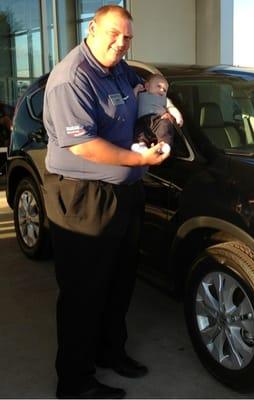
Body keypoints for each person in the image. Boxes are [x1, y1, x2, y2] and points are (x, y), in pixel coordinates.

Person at [42, 5, 169, 399]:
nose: (121, 42)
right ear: (92, 29)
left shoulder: (118, 69)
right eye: (114, 34)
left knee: (119, 283)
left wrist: (165, 100)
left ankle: (111, 353)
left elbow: (150, 84)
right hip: (84, 199)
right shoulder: (72, 78)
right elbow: (83, 147)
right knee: (83, 292)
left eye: (128, 36)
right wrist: (139, 159)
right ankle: (75, 381)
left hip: (125, 195)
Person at [131, 74, 183, 154]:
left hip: (159, 120)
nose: (162, 90)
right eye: (158, 86)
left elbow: (171, 108)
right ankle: (141, 145)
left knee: (165, 126)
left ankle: (164, 144)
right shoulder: (141, 96)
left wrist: (178, 117)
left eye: (165, 90)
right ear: (147, 86)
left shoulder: (165, 99)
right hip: (143, 120)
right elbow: (132, 100)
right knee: (140, 131)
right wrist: (136, 89)